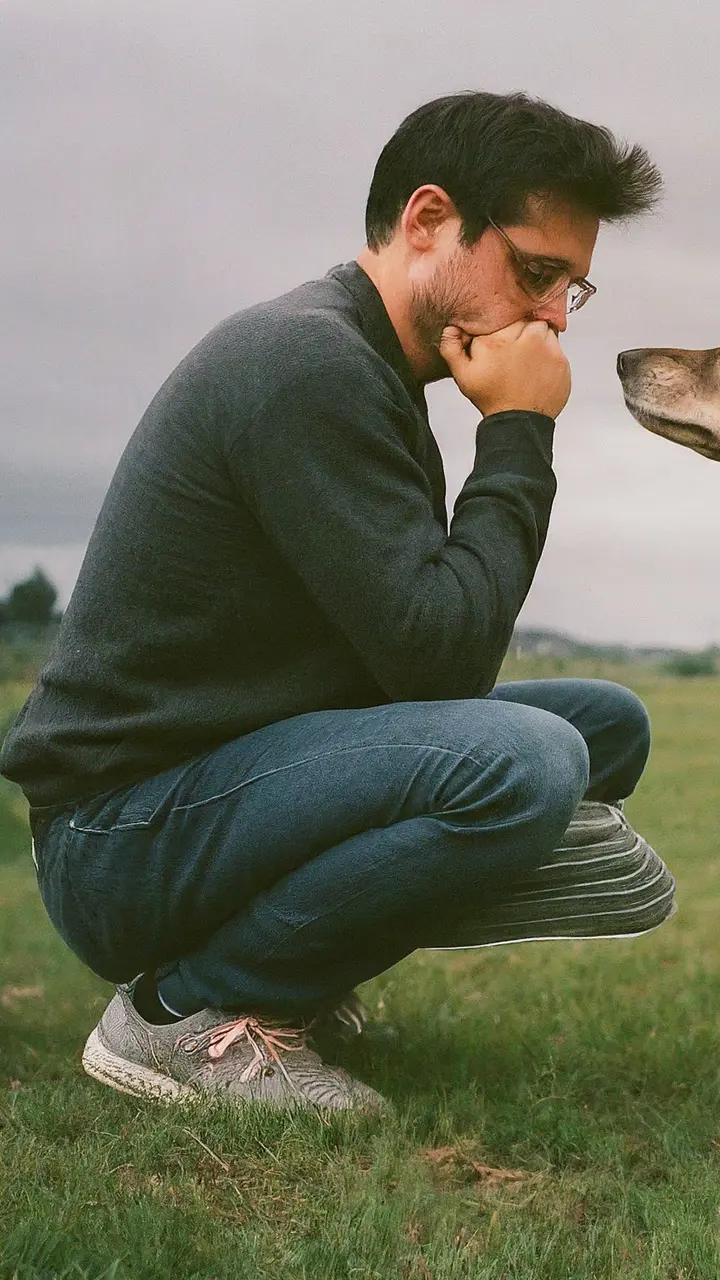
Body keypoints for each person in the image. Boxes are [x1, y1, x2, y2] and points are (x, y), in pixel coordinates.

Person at [0, 91, 673, 1110]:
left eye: (570, 289)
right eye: (536, 273)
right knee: (528, 762)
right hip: (120, 836)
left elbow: (419, 653)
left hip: (218, 780)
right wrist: (519, 432)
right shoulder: (307, 364)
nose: (548, 316)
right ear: (427, 222)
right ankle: (188, 1011)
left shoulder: (363, 367)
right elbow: (441, 661)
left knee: (602, 727)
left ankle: (299, 967)